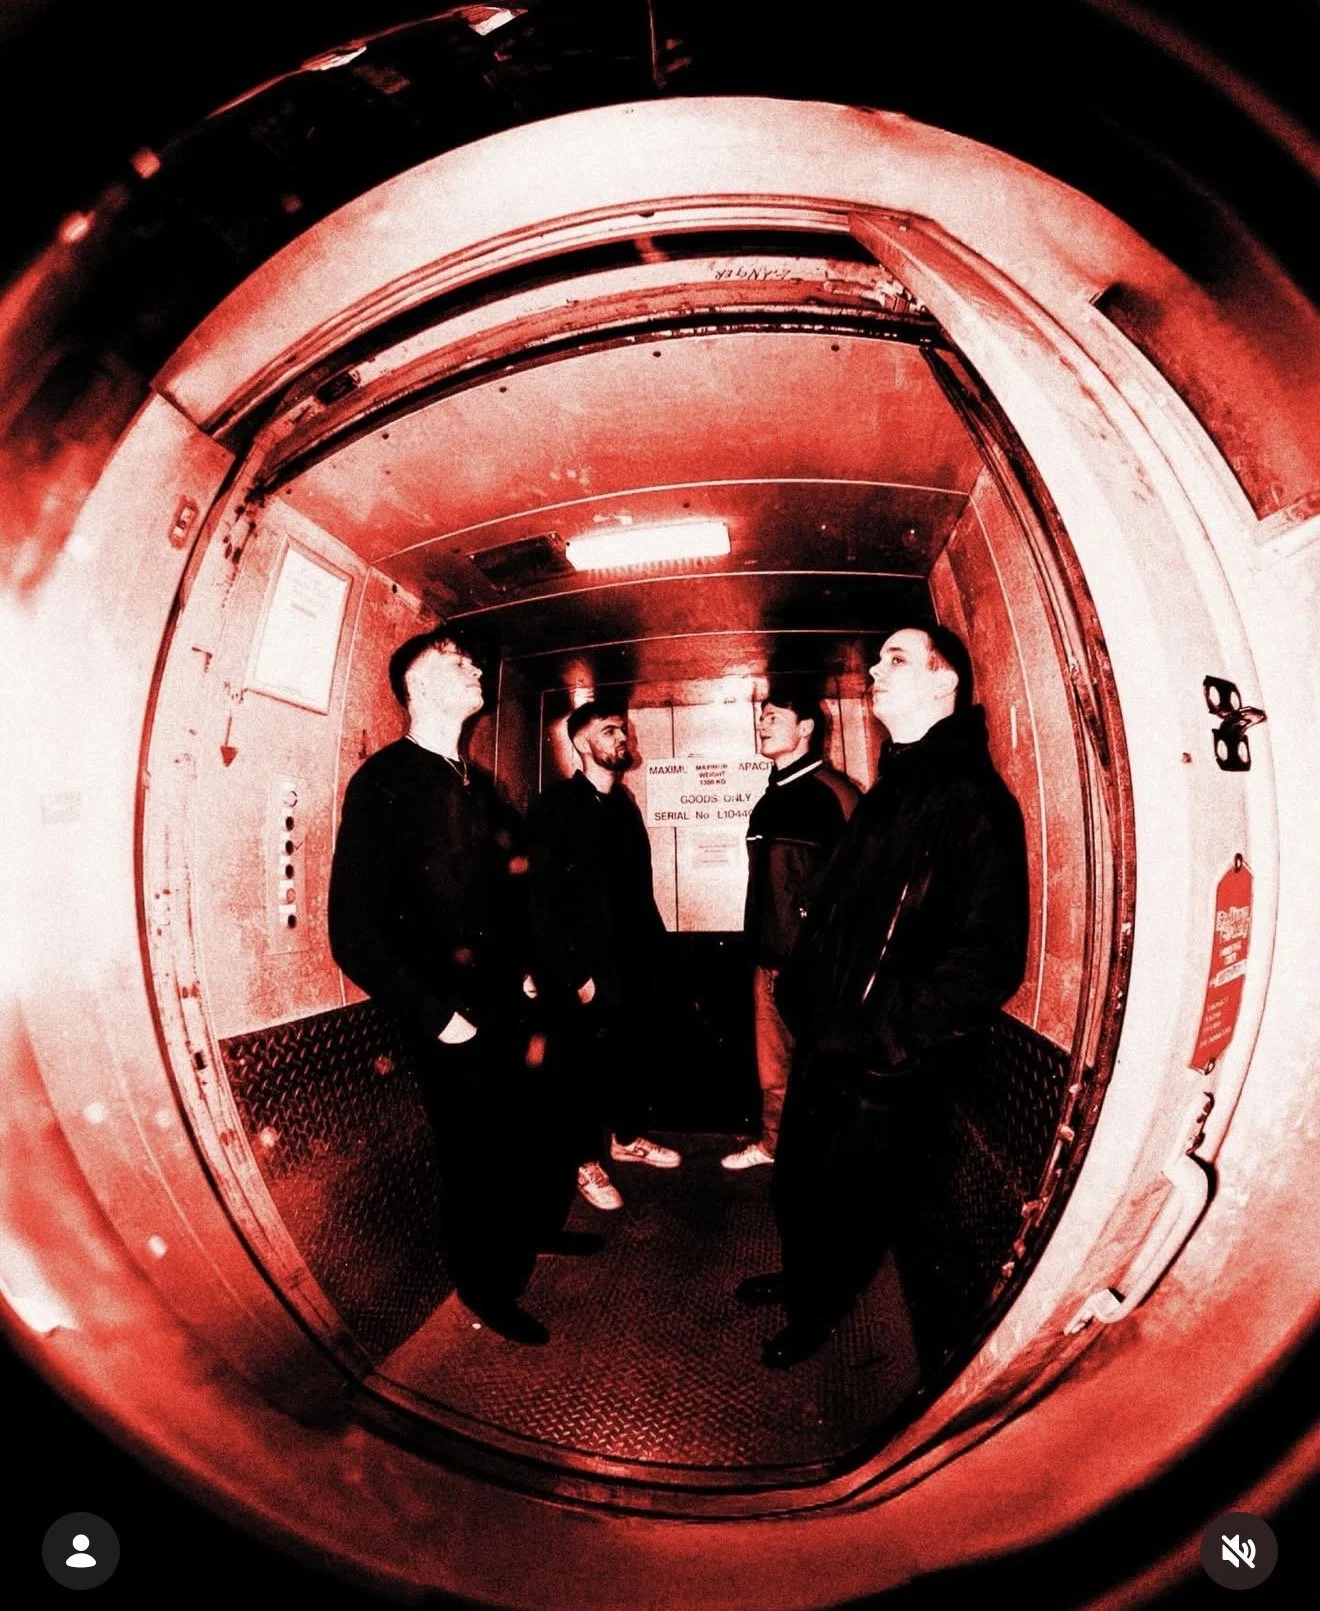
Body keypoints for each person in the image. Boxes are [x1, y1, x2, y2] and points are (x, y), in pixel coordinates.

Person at [742, 623, 1030, 1370]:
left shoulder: (971, 799)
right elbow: (838, 912)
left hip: (877, 1054)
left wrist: (889, 1032)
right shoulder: (896, 786)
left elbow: (989, 959)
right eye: (879, 658)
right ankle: (805, 1279)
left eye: (895, 659)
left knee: (844, 1197)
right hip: (830, 1035)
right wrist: (806, 995)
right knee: (799, 1180)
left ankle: (816, 1311)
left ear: (944, 683)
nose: (875, 667)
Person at [328, 629, 584, 1348]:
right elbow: (352, 930)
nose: (475, 666)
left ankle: (530, 1237)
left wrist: (528, 968)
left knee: (526, 1133)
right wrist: (439, 1015)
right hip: (451, 1018)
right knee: (476, 1157)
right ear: (416, 687)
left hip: (507, 1002)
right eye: (455, 661)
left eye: (473, 657)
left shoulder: (473, 782)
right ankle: (487, 1285)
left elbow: (498, 897)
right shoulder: (386, 780)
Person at [528, 698, 682, 1212]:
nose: (621, 737)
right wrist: (575, 973)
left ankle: (626, 1138)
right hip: (584, 970)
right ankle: (583, 1162)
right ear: (580, 743)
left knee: (628, 1055)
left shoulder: (623, 806)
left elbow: (639, 892)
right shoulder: (555, 808)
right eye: (608, 729)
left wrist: (655, 957)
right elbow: (542, 901)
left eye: (623, 729)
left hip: (631, 962)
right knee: (577, 1067)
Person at [721, 685, 849, 1171]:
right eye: (762, 716)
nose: (764, 722)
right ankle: (775, 1145)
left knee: (820, 1069)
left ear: (806, 729)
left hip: (814, 969)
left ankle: (820, 1162)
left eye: (775, 715)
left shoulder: (833, 794)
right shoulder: (770, 799)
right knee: (774, 1069)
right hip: (768, 960)